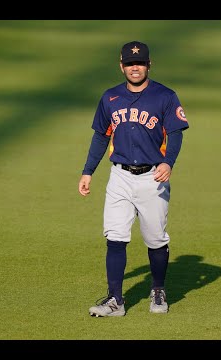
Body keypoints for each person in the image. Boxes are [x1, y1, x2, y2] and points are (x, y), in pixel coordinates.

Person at [78, 41, 189, 317]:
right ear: (121, 66)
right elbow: (101, 135)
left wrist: (168, 162)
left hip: (153, 177)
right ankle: (115, 300)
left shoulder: (165, 96)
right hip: (120, 176)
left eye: (139, 63)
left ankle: (159, 288)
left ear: (149, 65)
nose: (134, 67)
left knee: (155, 238)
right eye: (129, 63)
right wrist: (88, 170)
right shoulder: (110, 97)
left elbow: (176, 132)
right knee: (115, 236)